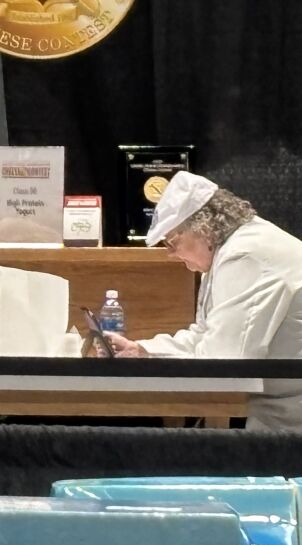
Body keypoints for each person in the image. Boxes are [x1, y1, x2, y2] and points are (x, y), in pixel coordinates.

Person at [109, 171, 302, 430]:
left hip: (291, 412)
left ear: (204, 228)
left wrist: (152, 359)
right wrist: (144, 351)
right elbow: (206, 336)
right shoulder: (228, 252)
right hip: (283, 406)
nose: (171, 255)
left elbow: (225, 362)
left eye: (172, 242)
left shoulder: (246, 256)